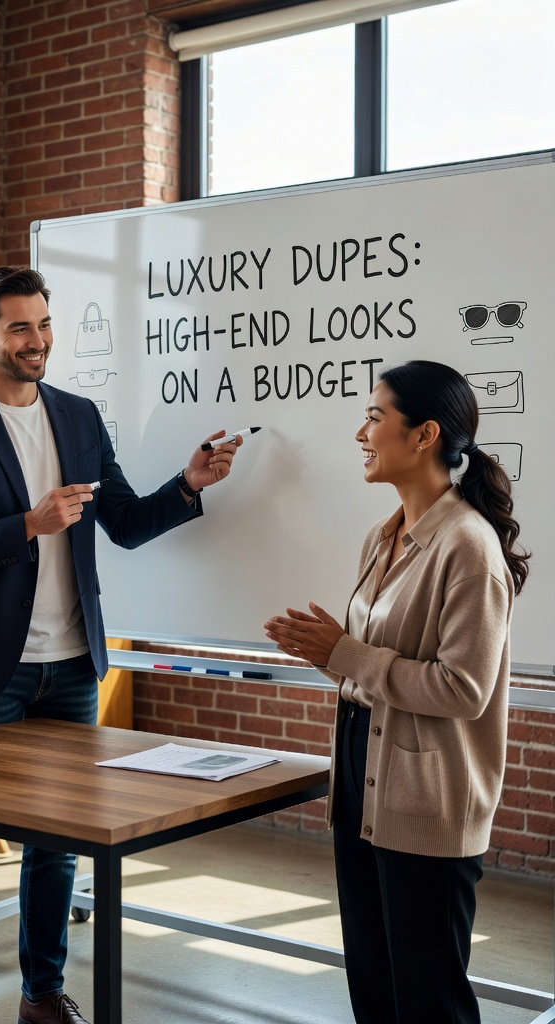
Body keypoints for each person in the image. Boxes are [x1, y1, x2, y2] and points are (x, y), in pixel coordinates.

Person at [0, 265, 244, 1024]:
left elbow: (121, 521)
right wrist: (27, 524)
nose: (37, 341)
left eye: (44, 324)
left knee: (56, 844)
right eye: (19, 327)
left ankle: (41, 995)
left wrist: (188, 485)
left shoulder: (80, 417)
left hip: (69, 668)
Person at [264, 359, 529, 1024]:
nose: (361, 432)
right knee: (375, 993)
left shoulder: (468, 547)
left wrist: (345, 651)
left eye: (376, 417)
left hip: (428, 801)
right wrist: (324, 653)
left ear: (424, 436)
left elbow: (462, 689)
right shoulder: (382, 538)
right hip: (362, 782)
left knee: (429, 1001)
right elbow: (375, 668)